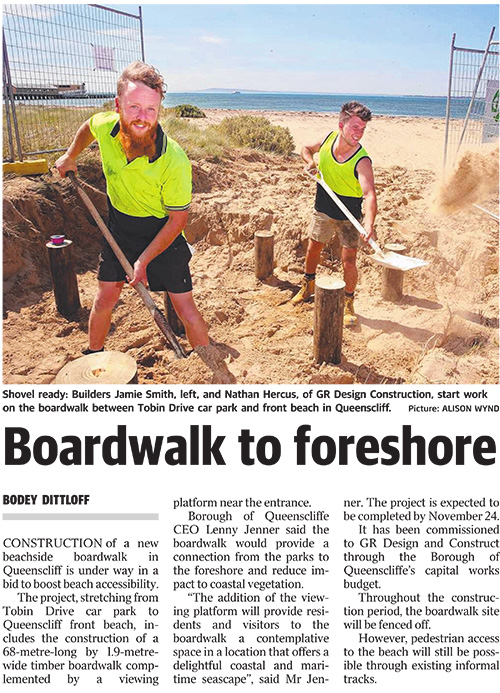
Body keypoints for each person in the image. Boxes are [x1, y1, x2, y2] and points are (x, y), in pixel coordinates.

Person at [55, 61, 209, 352]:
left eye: (151, 109)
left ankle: (208, 365)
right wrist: (70, 155)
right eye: (134, 107)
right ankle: (94, 355)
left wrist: (144, 261)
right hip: (119, 230)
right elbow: (89, 126)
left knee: (185, 307)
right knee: (103, 301)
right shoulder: (106, 125)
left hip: (162, 232)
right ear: (117, 105)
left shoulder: (174, 160)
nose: (143, 117)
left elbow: (177, 222)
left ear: (160, 109)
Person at [291, 101, 377, 327]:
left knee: (348, 261)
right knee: (313, 248)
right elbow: (305, 149)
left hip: (350, 216)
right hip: (324, 208)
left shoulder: (362, 160)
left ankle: (348, 302)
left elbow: (369, 195)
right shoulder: (328, 140)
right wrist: (310, 162)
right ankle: (308, 286)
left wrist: (369, 225)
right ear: (341, 125)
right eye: (355, 127)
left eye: (362, 129)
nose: (359, 133)